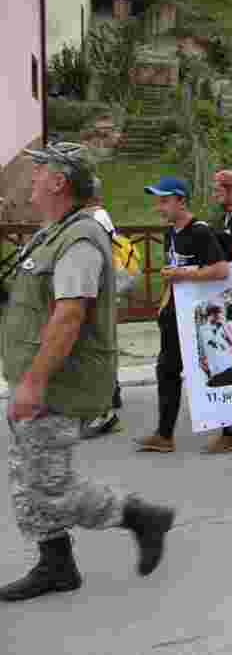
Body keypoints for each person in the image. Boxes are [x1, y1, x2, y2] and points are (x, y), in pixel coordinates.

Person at [0, 143, 174, 602]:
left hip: (58, 383)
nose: (32, 178)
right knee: (28, 476)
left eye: (39, 171)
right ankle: (56, 564)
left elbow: (69, 315)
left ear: (59, 182)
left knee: (50, 484)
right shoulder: (54, 232)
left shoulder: (78, 240)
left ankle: (140, 517)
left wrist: (34, 383)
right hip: (37, 377)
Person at [134, 177, 232, 454]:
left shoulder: (200, 231)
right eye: (158, 201)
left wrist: (182, 274)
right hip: (174, 313)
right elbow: (175, 273)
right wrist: (165, 302)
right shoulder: (170, 233)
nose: (159, 207)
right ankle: (164, 435)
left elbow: (221, 270)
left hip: (200, 316)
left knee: (214, 369)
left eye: (164, 201)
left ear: (181, 201)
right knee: (167, 370)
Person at [80, 177, 122, 438]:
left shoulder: (96, 217)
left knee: (96, 345)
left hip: (97, 290)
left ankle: (103, 405)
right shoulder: (97, 216)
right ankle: (110, 394)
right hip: (97, 289)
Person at [198, 304, 232, 387]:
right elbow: (201, 354)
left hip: (229, 367)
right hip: (216, 372)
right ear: (210, 314)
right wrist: (207, 372)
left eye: (220, 313)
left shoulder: (223, 327)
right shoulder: (202, 330)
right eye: (217, 313)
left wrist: (224, 326)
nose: (219, 316)